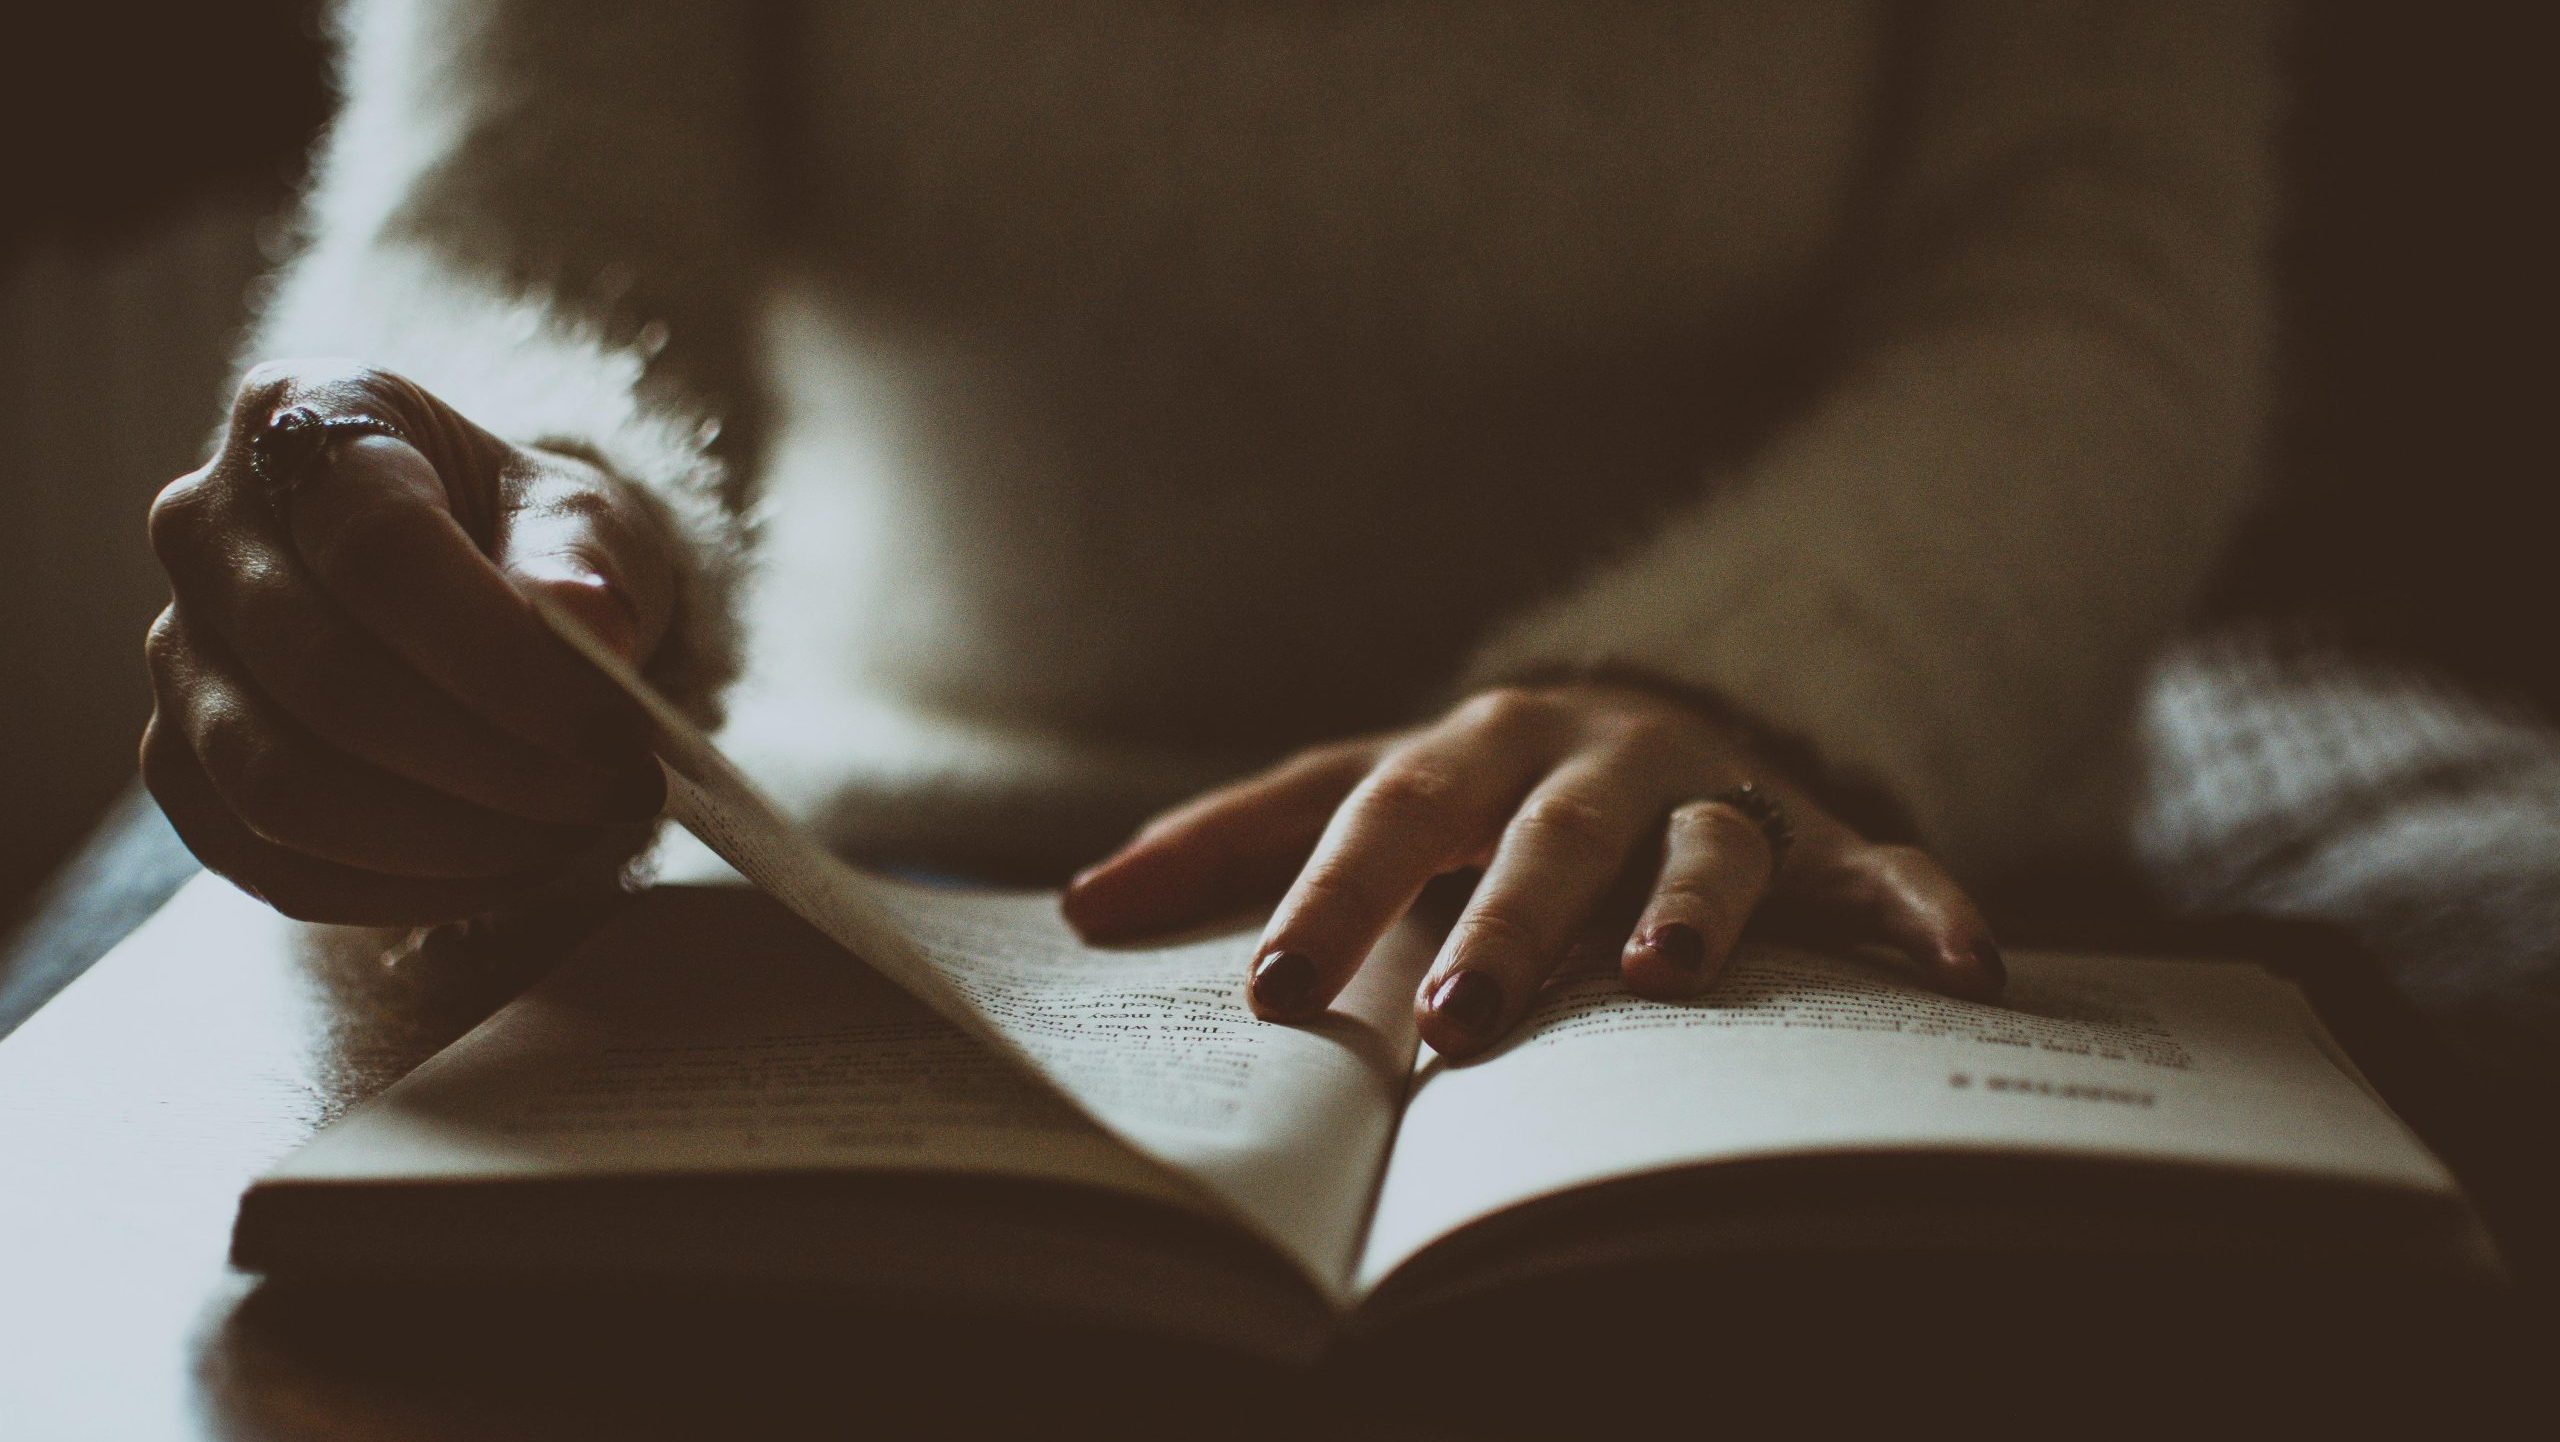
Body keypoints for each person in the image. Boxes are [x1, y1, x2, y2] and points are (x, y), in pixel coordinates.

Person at [139, 1, 2277, 1061]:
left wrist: (1739, 679)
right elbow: (499, 226)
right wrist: (496, 530)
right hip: (865, 865)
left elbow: (2093, 282)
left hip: (1779, 842)